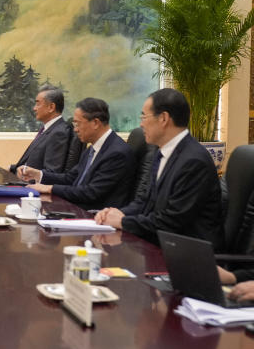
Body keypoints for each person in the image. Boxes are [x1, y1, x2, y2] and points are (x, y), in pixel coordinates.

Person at [95, 88, 222, 247]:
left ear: (163, 118)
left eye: (144, 116)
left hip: (189, 254)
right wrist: (117, 213)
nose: (141, 123)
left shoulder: (193, 161)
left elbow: (170, 222)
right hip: (161, 245)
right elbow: (145, 202)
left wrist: (123, 221)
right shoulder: (160, 151)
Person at [18, 97, 135, 210]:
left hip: (95, 216)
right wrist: (38, 174)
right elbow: (70, 178)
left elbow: (91, 193)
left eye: (78, 124)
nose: (75, 129)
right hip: (78, 209)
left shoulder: (116, 153)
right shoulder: (93, 148)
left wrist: (50, 188)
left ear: (95, 123)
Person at [10, 84, 73, 174]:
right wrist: (11, 168)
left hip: (32, 186)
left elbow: (51, 172)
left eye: (38, 103)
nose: (34, 108)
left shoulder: (59, 133)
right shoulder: (48, 129)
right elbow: (31, 163)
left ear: (51, 107)